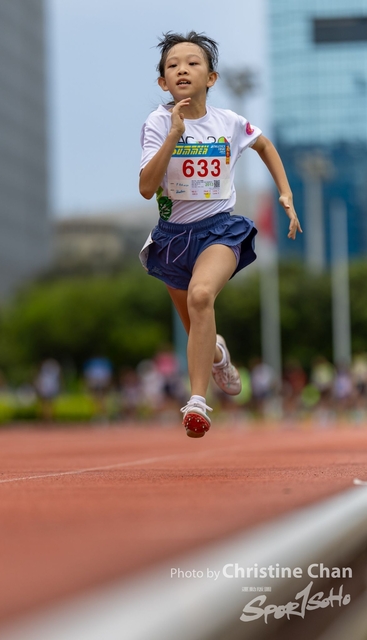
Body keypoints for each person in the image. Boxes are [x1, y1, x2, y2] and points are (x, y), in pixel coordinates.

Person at [139, 31, 301, 438]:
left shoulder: (227, 122)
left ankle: (196, 402)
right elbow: (146, 188)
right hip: (173, 238)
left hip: (218, 230)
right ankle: (218, 354)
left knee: (200, 297)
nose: (182, 70)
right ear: (162, 82)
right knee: (198, 327)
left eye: (193, 63)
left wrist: (284, 192)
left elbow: (264, 145)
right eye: (173, 65)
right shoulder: (157, 123)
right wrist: (174, 135)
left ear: (211, 78)